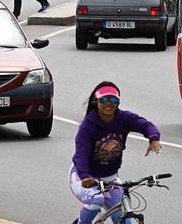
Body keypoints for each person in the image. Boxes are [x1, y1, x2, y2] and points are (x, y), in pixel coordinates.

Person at [69, 82, 161, 224]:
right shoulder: (89, 125)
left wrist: (153, 138)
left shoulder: (124, 118)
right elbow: (81, 154)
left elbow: (145, 125)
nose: (109, 104)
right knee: (96, 200)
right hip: (84, 177)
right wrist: (85, 177)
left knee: (125, 218)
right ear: (96, 101)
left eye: (113, 100)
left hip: (110, 179)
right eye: (104, 100)